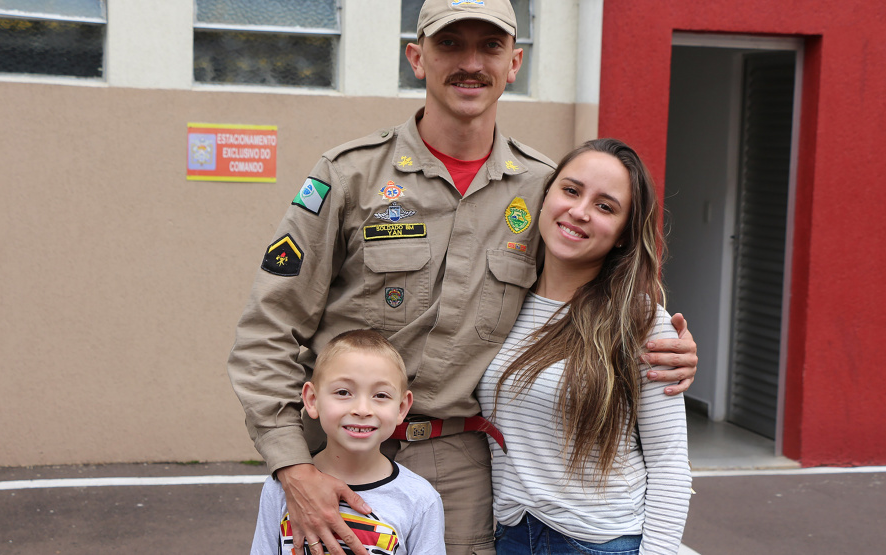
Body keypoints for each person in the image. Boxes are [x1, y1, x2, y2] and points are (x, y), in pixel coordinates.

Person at [228, 1, 698, 554]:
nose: (471, 62)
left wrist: (663, 341)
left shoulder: (545, 189)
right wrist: (292, 466)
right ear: (416, 57)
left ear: (514, 63)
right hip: (336, 458)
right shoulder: (349, 175)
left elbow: (601, 281)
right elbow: (268, 330)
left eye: (490, 46)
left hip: (458, 473)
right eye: (450, 44)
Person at [477, 139, 691, 555]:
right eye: (571, 190)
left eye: (605, 206)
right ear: (546, 196)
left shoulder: (642, 321)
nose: (579, 211)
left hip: (601, 543)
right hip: (512, 535)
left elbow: (669, 461)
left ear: (622, 236)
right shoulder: (500, 303)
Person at [250, 329, 445, 555]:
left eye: (381, 395)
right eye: (343, 392)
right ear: (312, 400)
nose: (362, 410)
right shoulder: (281, 489)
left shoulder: (420, 500)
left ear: (402, 408)